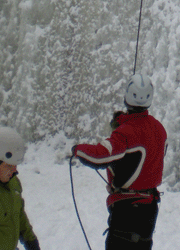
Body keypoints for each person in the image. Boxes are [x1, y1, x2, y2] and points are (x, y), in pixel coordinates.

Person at [71, 73, 167, 250]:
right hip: (150, 208)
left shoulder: (125, 132)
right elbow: (151, 161)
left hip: (128, 211)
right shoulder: (159, 129)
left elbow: (100, 155)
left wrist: (77, 150)